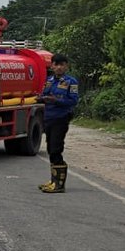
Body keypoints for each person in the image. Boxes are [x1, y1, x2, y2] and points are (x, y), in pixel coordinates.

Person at [38, 54, 79, 194]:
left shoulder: (71, 82)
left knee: (56, 149)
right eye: (56, 64)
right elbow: (44, 95)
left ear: (66, 66)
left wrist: (56, 101)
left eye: (62, 64)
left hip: (61, 119)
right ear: (52, 66)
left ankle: (59, 184)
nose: (59, 67)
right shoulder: (49, 80)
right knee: (50, 149)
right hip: (48, 118)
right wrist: (41, 99)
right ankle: (53, 180)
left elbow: (73, 101)